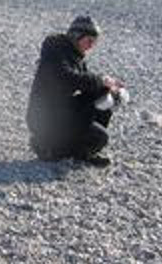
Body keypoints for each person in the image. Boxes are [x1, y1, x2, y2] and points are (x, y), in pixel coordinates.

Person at [26, 15, 123, 167]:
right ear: (76, 36)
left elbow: (87, 83)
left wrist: (109, 87)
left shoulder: (76, 56)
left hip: (59, 109)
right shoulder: (55, 51)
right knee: (100, 137)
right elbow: (67, 78)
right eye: (89, 41)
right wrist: (101, 80)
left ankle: (82, 151)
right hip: (43, 118)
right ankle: (48, 146)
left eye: (94, 42)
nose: (91, 46)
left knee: (104, 94)